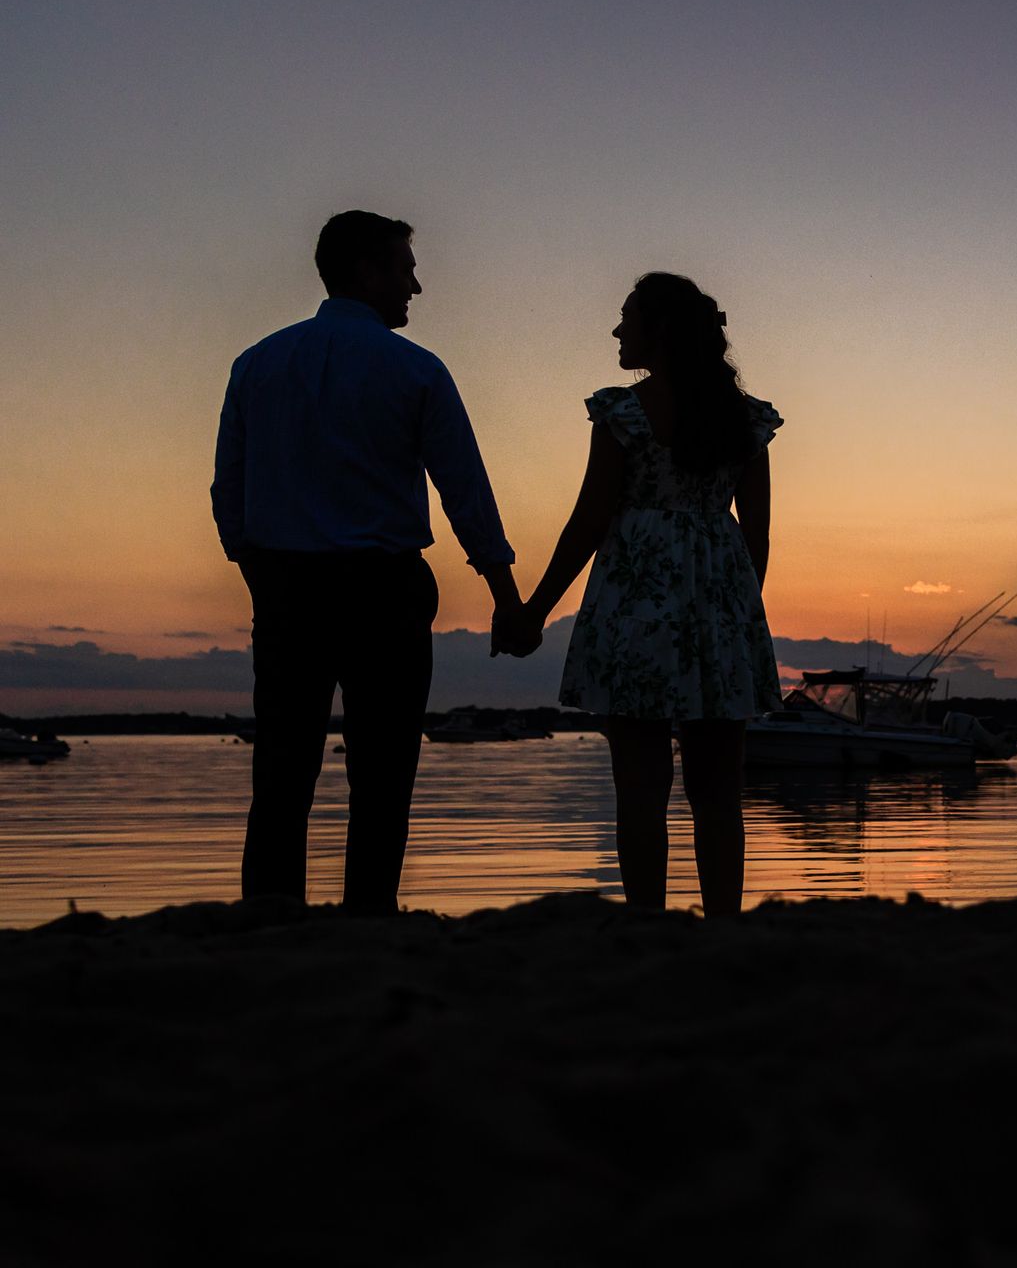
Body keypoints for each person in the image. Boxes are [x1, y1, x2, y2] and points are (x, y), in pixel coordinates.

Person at [211, 210, 527, 913]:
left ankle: (271, 922)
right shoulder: (415, 369)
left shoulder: (258, 364)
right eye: (405, 268)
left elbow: (228, 487)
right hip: (383, 588)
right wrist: (506, 598)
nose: (416, 284)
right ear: (366, 271)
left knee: (282, 771)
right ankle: (369, 922)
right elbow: (465, 491)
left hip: (288, 584)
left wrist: (257, 570)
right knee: (384, 774)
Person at [499, 272, 780, 915]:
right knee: (718, 796)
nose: (617, 330)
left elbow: (589, 521)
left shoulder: (623, 412)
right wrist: (737, 621)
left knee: (641, 792)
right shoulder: (744, 419)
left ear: (660, 330)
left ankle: (649, 927)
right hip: (719, 611)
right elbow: (757, 538)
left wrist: (534, 610)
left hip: (636, 609)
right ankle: (724, 930)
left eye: (627, 317)